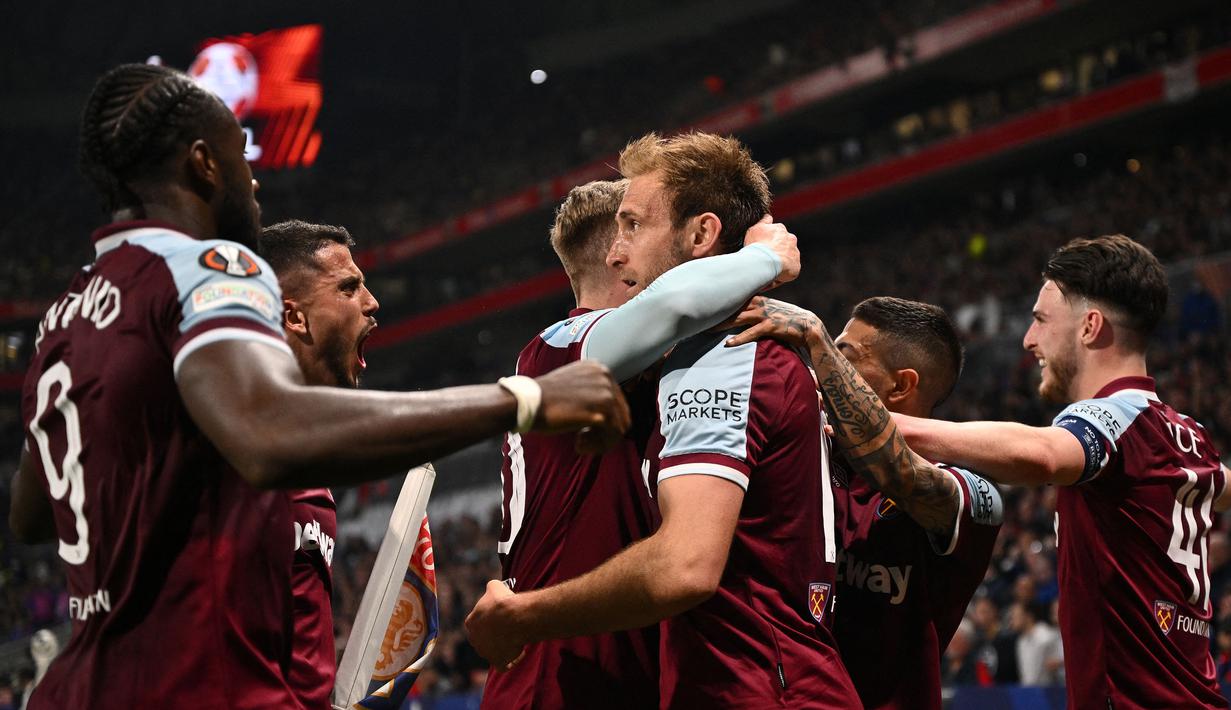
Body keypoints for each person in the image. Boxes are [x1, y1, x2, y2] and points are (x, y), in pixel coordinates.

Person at [7, 63, 627, 710]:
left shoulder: (65, 314)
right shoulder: (208, 265)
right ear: (202, 164)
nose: (253, 177)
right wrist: (523, 400)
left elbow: (30, 512)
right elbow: (272, 436)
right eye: (238, 155)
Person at [467, 132, 859, 708]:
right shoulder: (559, 349)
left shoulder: (727, 359)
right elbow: (670, 308)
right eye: (618, 229)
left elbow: (686, 566)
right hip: (561, 676)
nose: (618, 252)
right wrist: (764, 259)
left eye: (634, 227)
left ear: (700, 234)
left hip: (723, 679)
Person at [896, 234, 1230, 708]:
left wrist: (887, 424)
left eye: (1039, 320)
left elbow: (1044, 456)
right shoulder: (1189, 436)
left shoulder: (1110, 420)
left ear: (1090, 327)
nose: (1029, 339)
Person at [724, 295, 1003, 709]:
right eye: (828, 351)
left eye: (843, 355)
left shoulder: (971, 493)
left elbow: (899, 472)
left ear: (902, 385)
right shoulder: (809, 458)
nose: (823, 366)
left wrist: (815, 337)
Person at [256, 219, 378, 709]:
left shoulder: (309, 460)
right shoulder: (233, 449)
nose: (372, 302)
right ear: (294, 317)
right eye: (349, 287)